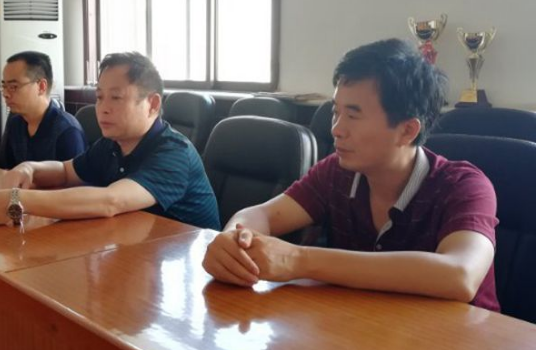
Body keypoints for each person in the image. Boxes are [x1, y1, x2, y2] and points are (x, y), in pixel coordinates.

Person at [202, 38, 500, 311]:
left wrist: (299, 259)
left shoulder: (463, 186)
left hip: (459, 344)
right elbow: (263, 214)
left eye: (353, 116)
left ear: (407, 130)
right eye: (336, 112)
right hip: (370, 331)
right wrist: (234, 241)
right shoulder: (337, 172)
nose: (336, 129)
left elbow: (460, 275)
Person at [0, 52, 220, 230]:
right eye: (100, 97)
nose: (102, 108)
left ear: (152, 104)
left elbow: (110, 201)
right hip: (140, 249)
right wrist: (29, 168)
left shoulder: (174, 152)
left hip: (192, 267)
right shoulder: (112, 144)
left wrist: (15, 200)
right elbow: (65, 171)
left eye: (116, 97)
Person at [0, 51, 85, 168]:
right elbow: (5, 168)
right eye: (4, 86)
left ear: (41, 86)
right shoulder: (15, 123)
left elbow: (74, 178)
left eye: (13, 87)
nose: (6, 94)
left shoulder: (67, 131)